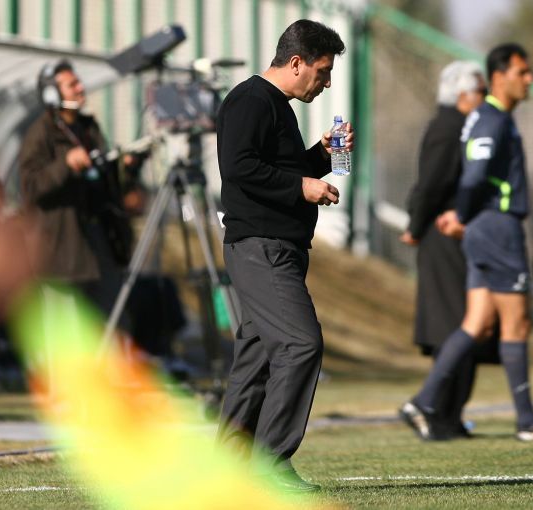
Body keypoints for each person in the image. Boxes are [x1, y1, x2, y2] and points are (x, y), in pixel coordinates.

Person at [400, 43, 533, 442]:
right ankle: (527, 421)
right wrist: (460, 215)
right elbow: (474, 176)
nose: (529, 79)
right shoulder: (491, 119)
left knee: (477, 324)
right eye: (522, 72)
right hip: (498, 229)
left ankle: (423, 402)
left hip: (484, 230)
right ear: (499, 77)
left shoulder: (492, 118)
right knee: (517, 323)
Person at [215, 19, 351, 492]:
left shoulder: (276, 106)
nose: (326, 82)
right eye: (322, 71)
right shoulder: (251, 99)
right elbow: (239, 168)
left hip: (276, 249)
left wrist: (321, 156)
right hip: (261, 249)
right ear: (296, 62)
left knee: (257, 359)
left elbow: (278, 169)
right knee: (300, 345)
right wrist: (301, 187)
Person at [19, 60, 185, 356]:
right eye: (71, 84)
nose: (80, 88)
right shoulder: (41, 133)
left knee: (114, 327)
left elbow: (107, 185)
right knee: (66, 338)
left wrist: (128, 167)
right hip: (60, 254)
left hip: (99, 247)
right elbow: (31, 187)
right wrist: (66, 164)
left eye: (78, 82)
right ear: (51, 94)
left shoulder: (88, 127)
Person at [400, 60, 496, 440]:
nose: (486, 98)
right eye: (481, 92)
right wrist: (415, 226)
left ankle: (451, 416)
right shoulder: (448, 127)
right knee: (453, 325)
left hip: (462, 235)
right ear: (462, 95)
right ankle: (437, 413)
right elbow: (431, 184)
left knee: (467, 324)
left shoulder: (467, 126)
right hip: (443, 237)